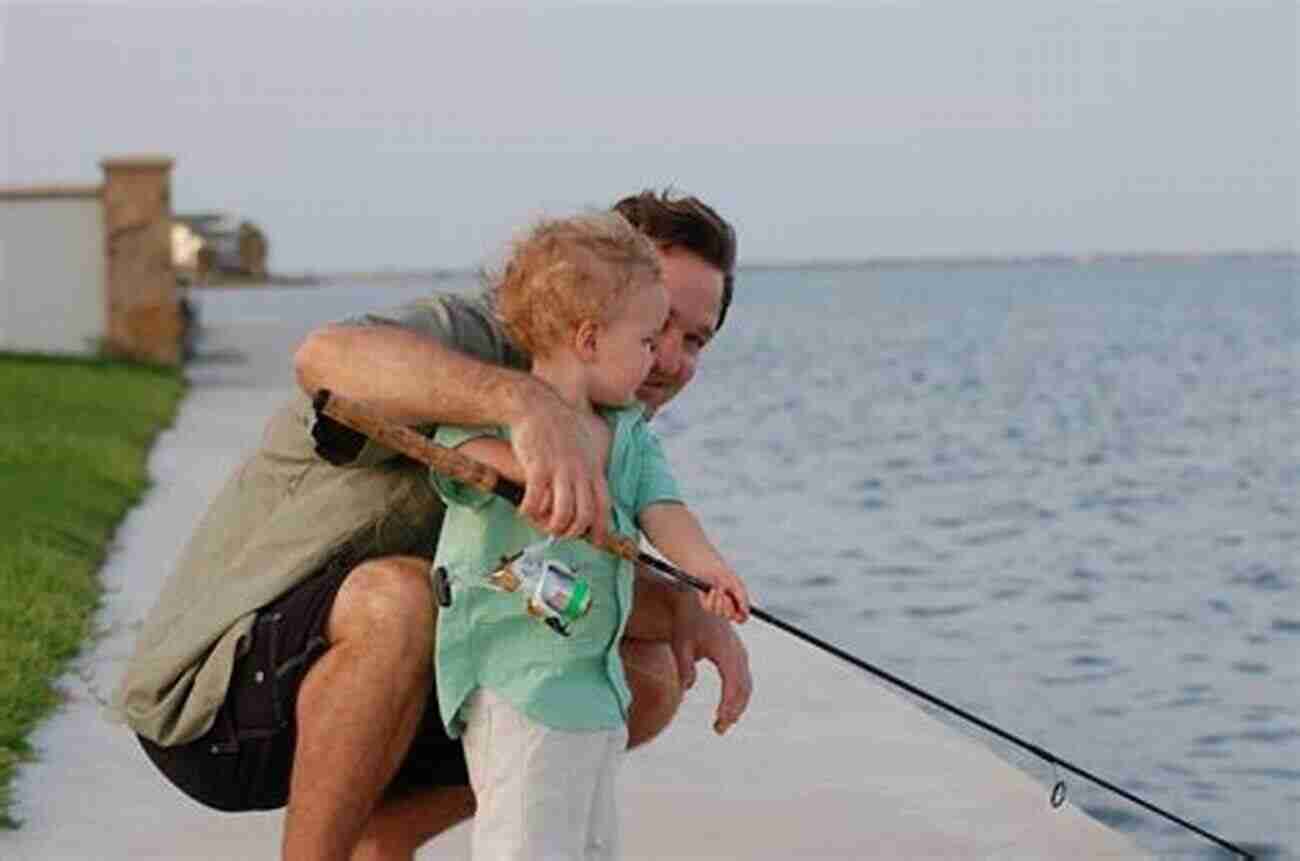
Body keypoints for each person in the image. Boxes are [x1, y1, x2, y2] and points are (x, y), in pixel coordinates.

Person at [113, 189, 751, 861]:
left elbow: (537, 575)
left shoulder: (613, 420)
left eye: (692, 340)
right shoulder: (477, 335)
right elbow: (323, 356)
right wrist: (520, 400)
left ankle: (383, 838)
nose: (669, 360)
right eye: (657, 326)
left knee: (644, 671)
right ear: (594, 302)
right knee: (402, 599)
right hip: (220, 702)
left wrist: (688, 604)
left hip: (413, 664)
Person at [430, 212, 749, 859]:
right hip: (519, 682)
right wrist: (541, 473)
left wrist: (707, 567)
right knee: (523, 843)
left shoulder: (628, 434)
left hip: (594, 689)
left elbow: (665, 509)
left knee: (592, 845)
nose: (658, 357)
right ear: (587, 338)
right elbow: (459, 459)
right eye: (646, 338)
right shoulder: (507, 419)